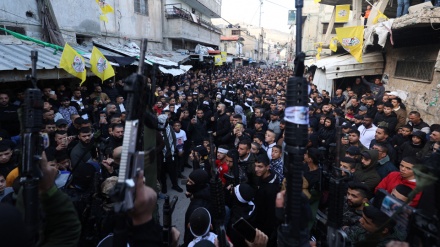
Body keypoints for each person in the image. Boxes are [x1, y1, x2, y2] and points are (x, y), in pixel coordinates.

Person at [254, 154, 280, 247]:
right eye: (255, 166)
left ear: (268, 167)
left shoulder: (271, 189)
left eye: (260, 167)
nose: (256, 169)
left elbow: (271, 214)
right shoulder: (261, 177)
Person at [183, 169, 211, 246]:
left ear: (199, 185)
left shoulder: (196, 208)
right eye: (188, 181)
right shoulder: (207, 190)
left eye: (191, 182)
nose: (187, 184)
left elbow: (191, 232)